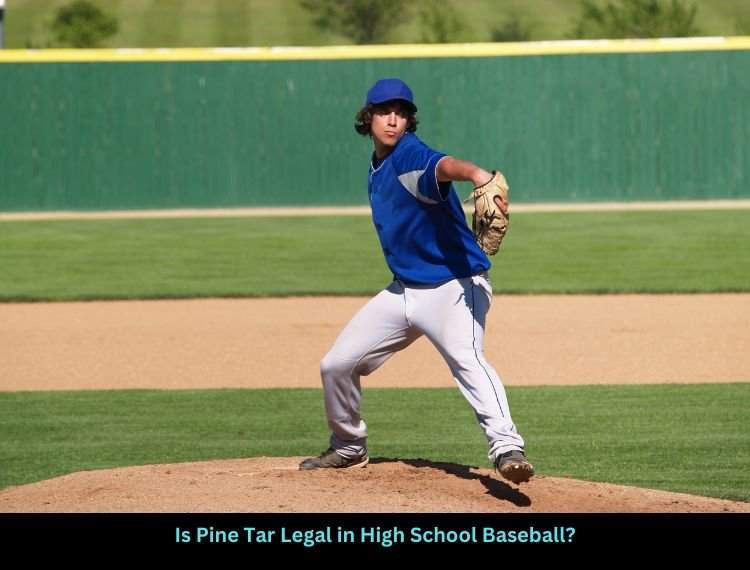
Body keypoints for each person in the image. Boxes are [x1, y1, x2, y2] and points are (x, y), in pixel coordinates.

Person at [299, 78, 534, 484]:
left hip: (455, 286)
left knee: (468, 359)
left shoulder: (410, 156)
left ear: (409, 120)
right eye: (384, 111)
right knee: (336, 364)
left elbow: (442, 166)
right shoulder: (378, 165)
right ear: (367, 116)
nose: (393, 120)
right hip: (404, 289)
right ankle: (348, 446)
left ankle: (507, 448)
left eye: (401, 113)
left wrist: (477, 174)